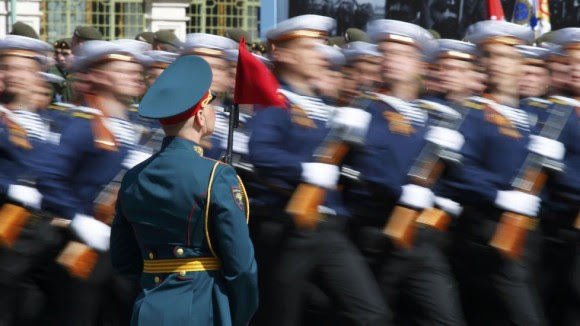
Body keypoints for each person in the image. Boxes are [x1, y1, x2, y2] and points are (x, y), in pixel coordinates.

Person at [248, 14, 390, 326]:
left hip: (330, 226)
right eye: (310, 47)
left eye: (320, 47)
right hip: (291, 225)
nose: (320, 55)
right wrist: (305, 170)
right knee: (281, 316)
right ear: (284, 54)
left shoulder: (326, 105)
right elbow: (260, 152)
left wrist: (360, 142)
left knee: (371, 313)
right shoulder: (276, 101)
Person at [110, 55, 258, 326]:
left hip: (147, 309)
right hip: (203, 308)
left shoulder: (132, 177)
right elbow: (242, 268)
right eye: (211, 104)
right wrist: (240, 315)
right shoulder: (218, 176)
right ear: (201, 115)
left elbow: (123, 260)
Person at [342, 19, 466, 325]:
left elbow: (449, 174)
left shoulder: (434, 116)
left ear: (420, 64)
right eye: (386, 53)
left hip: (422, 238)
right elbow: (363, 167)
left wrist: (444, 199)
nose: (391, 60)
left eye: (401, 54)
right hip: (378, 233)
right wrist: (402, 190)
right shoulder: (364, 108)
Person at [439, 20, 551, 326]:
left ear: (519, 64)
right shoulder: (472, 113)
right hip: (491, 228)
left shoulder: (531, 117)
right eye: (491, 58)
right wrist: (500, 195)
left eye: (507, 58)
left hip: (530, 232)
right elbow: (460, 170)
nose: (499, 65)